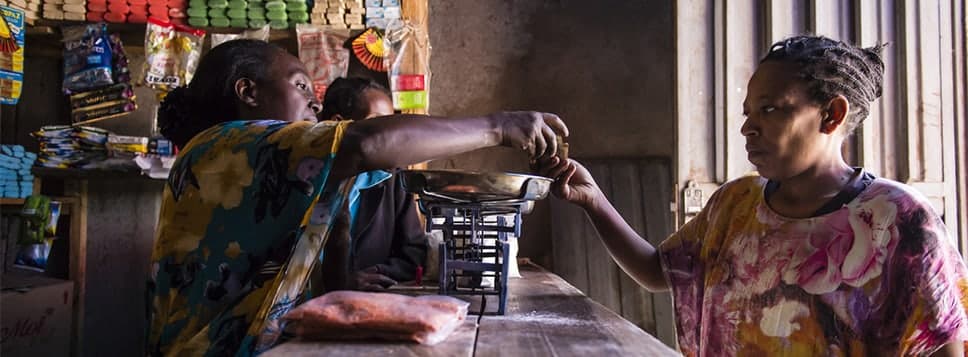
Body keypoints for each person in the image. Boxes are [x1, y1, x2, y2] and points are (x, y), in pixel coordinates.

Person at [539, 35, 968, 356]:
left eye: (771, 109)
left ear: (832, 115)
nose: (748, 128)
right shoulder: (736, 205)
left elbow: (946, 340)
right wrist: (593, 199)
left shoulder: (900, 220)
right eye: (748, 113)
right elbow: (658, 272)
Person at [147, 39, 567, 356]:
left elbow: (329, 266)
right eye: (299, 85)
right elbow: (369, 144)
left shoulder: (257, 164)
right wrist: (499, 126)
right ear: (248, 91)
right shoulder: (230, 144)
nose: (313, 99)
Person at [317, 77, 427, 292]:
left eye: (389, 124)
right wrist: (338, 281)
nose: (387, 134)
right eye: (376, 122)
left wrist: (374, 274)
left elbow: (414, 254)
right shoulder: (306, 177)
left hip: (367, 302)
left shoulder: (391, 180)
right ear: (338, 123)